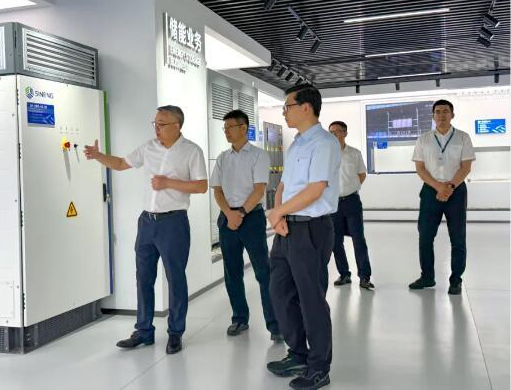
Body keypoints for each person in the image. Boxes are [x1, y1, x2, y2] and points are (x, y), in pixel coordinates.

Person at [84, 105, 207, 353]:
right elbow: (121, 163)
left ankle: (175, 333)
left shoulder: (192, 151)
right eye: (155, 123)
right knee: (143, 277)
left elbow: (201, 186)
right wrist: (98, 156)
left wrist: (168, 182)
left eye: (162, 124)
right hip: (147, 222)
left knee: (175, 279)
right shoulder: (149, 147)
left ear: (177, 126)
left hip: (174, 223)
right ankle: (143, 331)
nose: (156, 128)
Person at [265, 84, 340, 390]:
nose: (284, 112)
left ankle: (319, 367)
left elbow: (315, 189)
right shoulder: (296, 143)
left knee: (311, 299)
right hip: (287, 228)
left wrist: (276, 213)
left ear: (306, 107)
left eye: (288, 106)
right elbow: (283, 186)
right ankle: (297, 354)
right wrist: (280, 214)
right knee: (280, 292)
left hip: (311, 228)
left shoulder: (324, 143)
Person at [210, 109, 282, 341]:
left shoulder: (259, 155)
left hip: (251, 218)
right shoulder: (223, 157)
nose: (226, 132)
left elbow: (259, 189)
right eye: (225, 129)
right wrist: (228, 214)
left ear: (243, 128)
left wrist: (240, 213)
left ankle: (275, 324)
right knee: (232, 272)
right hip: (227, 218)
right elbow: (217, 190)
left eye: (230, 127)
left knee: (263, 271)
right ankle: (239, 318)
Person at [409, 99, 475, 295]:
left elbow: (466, 167)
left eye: (445, 111)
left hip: (456, 190)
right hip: (431, 191)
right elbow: (420, 168)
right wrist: (439, 186)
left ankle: (456, 280)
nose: (441, 115)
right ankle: (427, 277)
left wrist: (450, 186)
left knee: (458, 238)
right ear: (433, 116)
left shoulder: (463, 137)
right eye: (437, 112)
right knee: (425, 237)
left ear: (452, 115)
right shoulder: (424, 139)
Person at [328, 121, 374, 290]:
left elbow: (362, 174)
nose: (334, 135)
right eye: (331, 132)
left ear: (345, 133)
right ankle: (344, 274)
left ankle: (364, 276)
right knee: (335, 241)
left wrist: (351, 187)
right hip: (333, 203)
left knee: (358, 239)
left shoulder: (354, 153)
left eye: (337, 131)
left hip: (352, 201)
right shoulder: (325, 154)